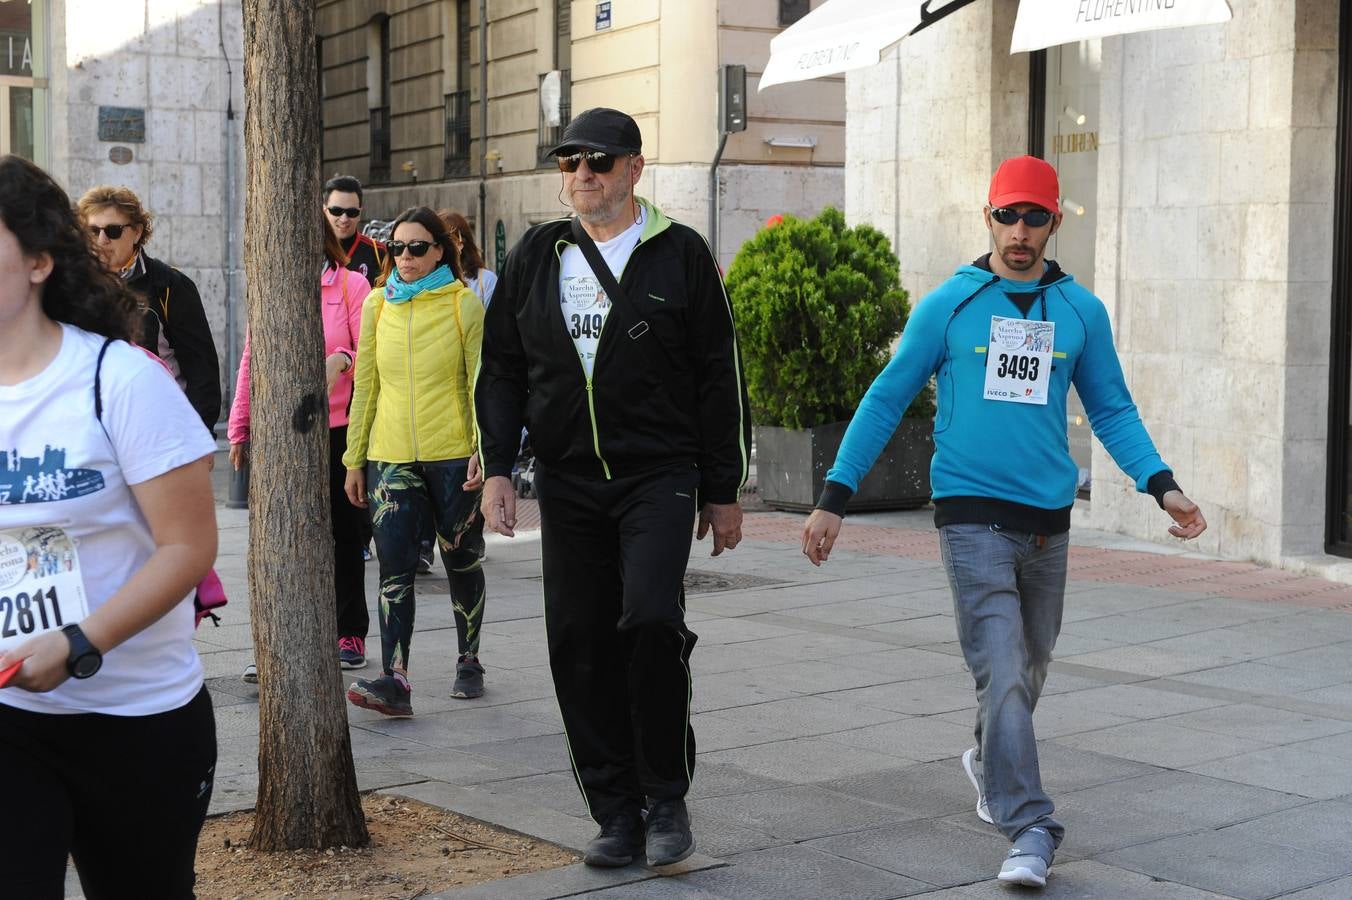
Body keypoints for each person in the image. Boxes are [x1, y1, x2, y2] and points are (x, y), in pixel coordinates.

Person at [801, 155, 1208, 890]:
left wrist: (1162, 485)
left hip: (1048, 523)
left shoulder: (1081, 311)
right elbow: (887, 397)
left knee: (1027, 673)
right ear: (987, 217)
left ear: (1054, 221)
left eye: (1035, 217)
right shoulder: (950, 306)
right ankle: (1030, 827)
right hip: (970, 519)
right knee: (1004, 670)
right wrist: (834, 495)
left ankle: (989, 757)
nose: (1019, 231)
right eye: (1006, 215)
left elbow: (1111, 407)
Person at [475, 107, 750, 869]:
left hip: (657, 474)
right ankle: (615, 810)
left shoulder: (680, 254)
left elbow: (718, 376)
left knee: (652, 620)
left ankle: (666, 797)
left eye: (598, 162)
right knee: (580, 642)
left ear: (634, 169)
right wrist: (498, 465)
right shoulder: (537, 254)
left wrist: (722, 490)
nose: (582, 176)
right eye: (569, 163)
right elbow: (500, 366)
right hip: (566, 482)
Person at [0, 155, 219, 895]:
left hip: (137, 719)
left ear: (37, 260)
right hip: (9, 721)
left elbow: (188, 547)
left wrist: (78, 642)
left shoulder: (118, 380)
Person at [342, 206, 488, 715]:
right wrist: (354, 458)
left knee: (460, 557)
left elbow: (480, 386)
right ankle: (394, 678)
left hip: (453, 456)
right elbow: (366, 386)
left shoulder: (462, 305)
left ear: (441, 251)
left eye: (417, 248)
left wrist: (481, 451)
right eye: (396, 248)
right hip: (390, 455)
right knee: (393, 570)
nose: (405, 257)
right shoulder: (378, 305)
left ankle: (468, 659)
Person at [229, 213, 372, 678]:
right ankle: (276, 642)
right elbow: (251, 358)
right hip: (281, 432)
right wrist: (240, 426)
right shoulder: (270, 287)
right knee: (283, 537)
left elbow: (366, 352)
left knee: (346, 535)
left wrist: (342, 360)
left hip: (339, 428)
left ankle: (349, 631)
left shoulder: (352, 286)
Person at [78, 186, 222, 436]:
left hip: (158, 430)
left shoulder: (169, 285)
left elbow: (202, 370)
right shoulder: (73, 285)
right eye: (93, 231)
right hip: (94, 432)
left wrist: (200, 437)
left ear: (136, 232)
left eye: (113, 231)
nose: (102, 240)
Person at [323, 174, 387, 284]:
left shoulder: (379, 253)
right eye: (336, 211)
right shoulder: (309, 251)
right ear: (324, 210)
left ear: (359, 214)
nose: (344, 219)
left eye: (352, 212)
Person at [439, 209, 498, 308]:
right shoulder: (428, 280)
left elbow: (495, 320)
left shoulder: (486, 280)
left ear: (461, 243)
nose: (441, 248)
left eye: (448, 241)